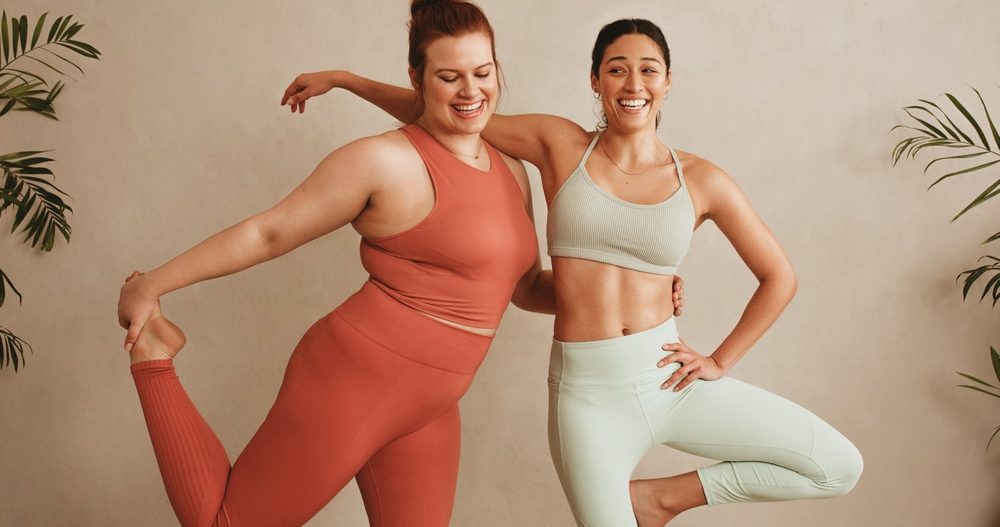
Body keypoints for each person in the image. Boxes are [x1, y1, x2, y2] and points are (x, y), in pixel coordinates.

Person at [115, 2, 681, 526]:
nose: (471, 91)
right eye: (449, 77)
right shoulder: (383, 160)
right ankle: (155, 357)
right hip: (356, 378)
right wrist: (152, 285)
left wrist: (643, 291)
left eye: (482, 73)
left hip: (432, 405)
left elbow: (526, 287)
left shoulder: (511, 169)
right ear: (417, 79)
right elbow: (269, 233)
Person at [283, 16, 863, 527]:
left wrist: (719, 360)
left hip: (668, 380)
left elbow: (779, 277)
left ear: (667, 82)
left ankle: (659, 500)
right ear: (595, 80)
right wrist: (347, 80)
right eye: (616, 70)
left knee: (837, 466)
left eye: (648, 70)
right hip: (588, 398)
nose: (633, 85)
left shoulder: (703, 179)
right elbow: (447, 113)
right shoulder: (561, 144)